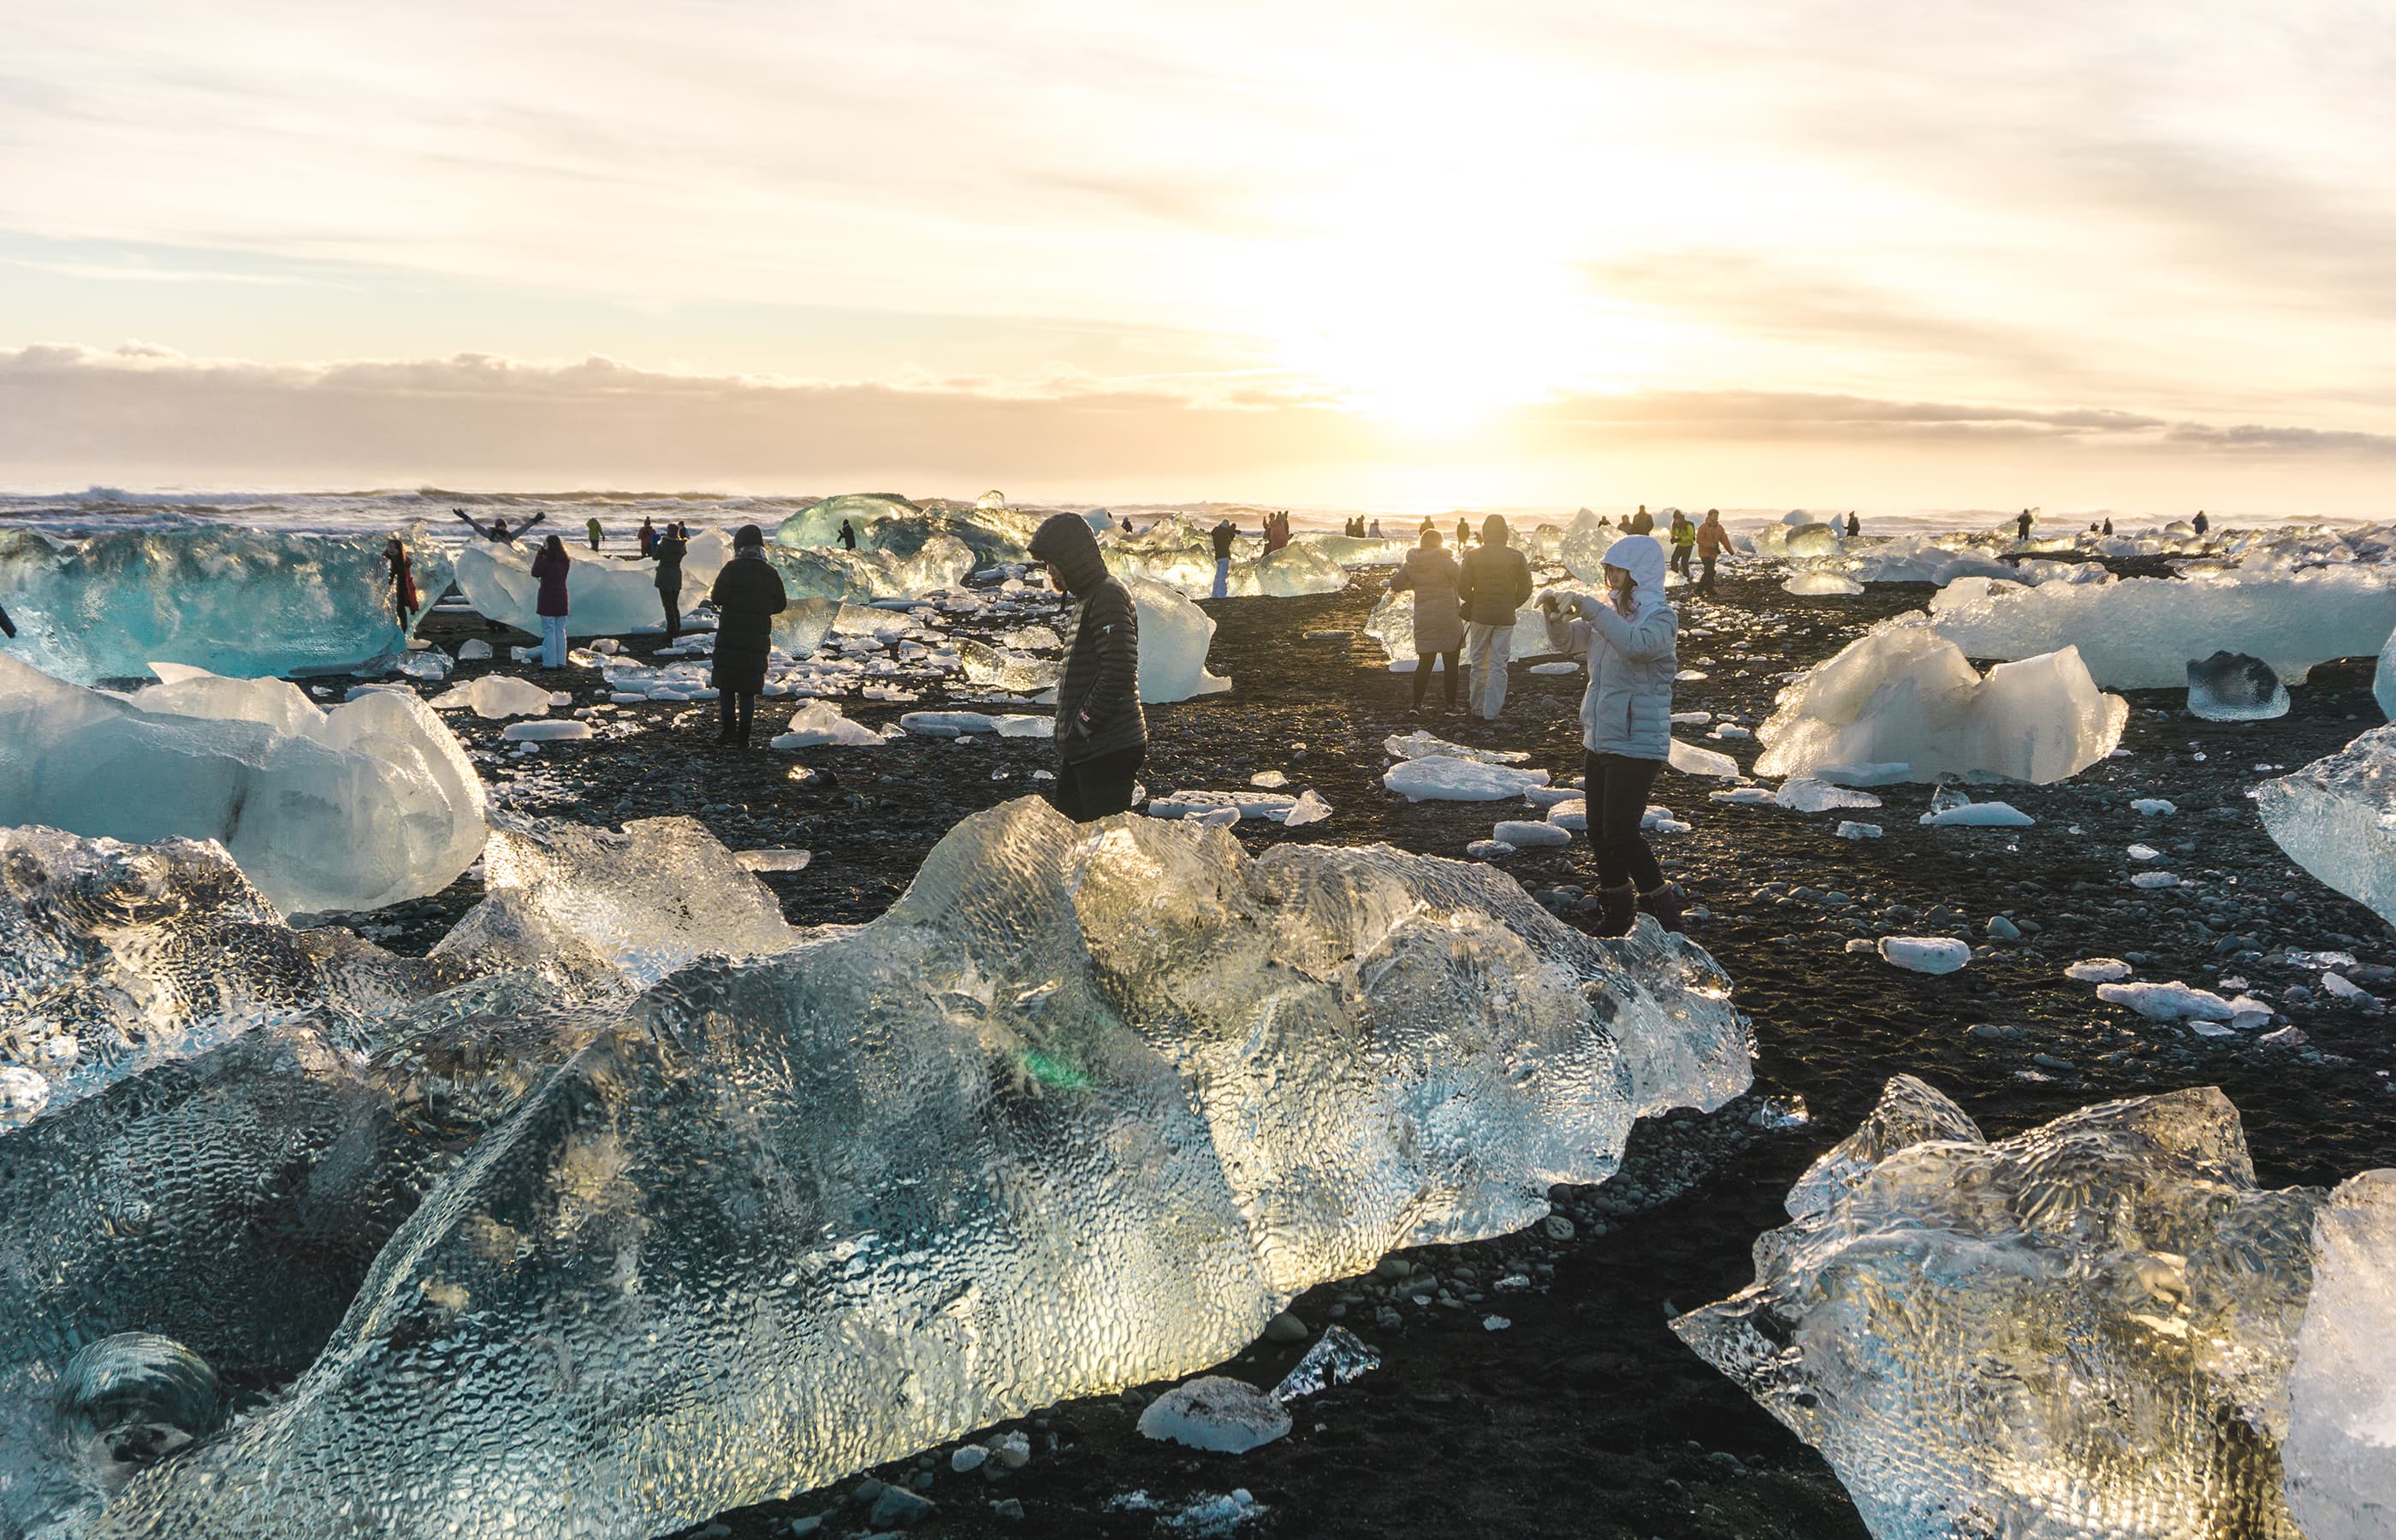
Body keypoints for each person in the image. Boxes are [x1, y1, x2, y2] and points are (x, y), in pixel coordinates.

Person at [1546, 533, 1681, 937]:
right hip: (1602, 735)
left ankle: (1664, 911)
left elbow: (1636, 648)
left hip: (1638, 740)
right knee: (1599, 831)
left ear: (1638, 573)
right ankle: (1618, 911)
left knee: (1622, 832)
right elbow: (1568, 643)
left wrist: (1588, 608)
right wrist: (1554, 618)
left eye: (1617, 571)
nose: (1610, 578)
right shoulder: (1610, 615)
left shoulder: (1659, 618)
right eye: (1608, 571)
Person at [1028, 512, 1145, 819]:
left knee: (1100, 845)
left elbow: (1119, 667)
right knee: (1073, 837)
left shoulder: (1107, 595)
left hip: (1107, 746)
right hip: (1088, 748)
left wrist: (1085, 722)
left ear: (1072, 557)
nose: (1050, 570)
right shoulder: (1089, 596)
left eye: (1053, 561)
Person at [708, 524, 787, 747]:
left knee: (726, 684)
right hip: (756, 637)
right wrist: (760, 608)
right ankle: (744, 736)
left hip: (730, 635)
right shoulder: (770, 572)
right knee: (748, 688)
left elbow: (718, 597)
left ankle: (728, 731)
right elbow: (780, 604)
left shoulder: (732, 568)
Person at [1456, 513, 1533, 723]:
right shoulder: (1516, 556)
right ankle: (1492, 712)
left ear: (1484, 532)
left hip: (1480, 614)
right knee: (1499, 665)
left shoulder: (1473, 556)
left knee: (1479, 661)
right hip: (1506, 616)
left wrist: (1474, 600)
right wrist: (1511, 603)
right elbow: (1526, 588)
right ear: (1505, 533)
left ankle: (1477, 707)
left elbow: (1462, 587)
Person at [1388, 528, 1464, 714]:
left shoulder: (1411, 564)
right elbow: (1462, 578)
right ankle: (1451, 706)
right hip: (1448, 617)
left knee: (1425, 663)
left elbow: (1396, 584)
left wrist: (1413, 584)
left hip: (1424, 617)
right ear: (1440, 543)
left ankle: (1416, 705)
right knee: (1451, 663)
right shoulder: (1445, 561)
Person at [530, 535, 572, 667]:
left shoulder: (548, 560)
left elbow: (535, 572)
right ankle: (561, 661)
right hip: (561, 596)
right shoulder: (565, 560)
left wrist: (540, 554)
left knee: (549, 631)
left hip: (548, 596)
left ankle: (550, 663)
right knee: (560, 631)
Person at [650, 522, 690, 642]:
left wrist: (654, 544)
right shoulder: (682, 545)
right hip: (676, 575)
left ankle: (670, 632)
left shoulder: (665, 544)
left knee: (667, 606)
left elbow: (655, 557)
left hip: (664, 575)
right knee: (674, 604)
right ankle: (676, 629)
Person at [383, 536, 420, 627]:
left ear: (399, 549)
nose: (391, 549)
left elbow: (406, 581)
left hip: (401, 591)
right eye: (390, 547)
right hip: (389, 590)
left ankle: (402, 630)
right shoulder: (384, 559)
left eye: (394, 547)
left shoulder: (404, 563)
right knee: (390, 609)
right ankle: (392, 628)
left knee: (400, 609)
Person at [453, 508, 543, 544]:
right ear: (496, 527)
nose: (503, 527)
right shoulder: (491, 535)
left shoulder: (510, 536)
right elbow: (478, 527)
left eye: (504, 526)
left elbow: (522, 529)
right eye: (500, 526)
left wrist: (535, 520)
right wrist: (465, 517)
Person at [1695, 509, 1729, 597]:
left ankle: (1707, 589)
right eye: (1714, 515)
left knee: (1711, 572)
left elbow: (1724, 539)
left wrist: (1730, 551)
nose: (1716, 517)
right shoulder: (1703, 527)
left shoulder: (1719, 528)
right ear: (1709, 516)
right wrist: (1710, 545)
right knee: (1709, 571)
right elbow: (1699, 540)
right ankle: (1701, 589)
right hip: (1704, 553)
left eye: (1717, 515)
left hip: (1713, 554)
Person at [1210, 517, 1237, 599]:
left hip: (1218, 556)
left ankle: (1214, 594)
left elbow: (1227, 540)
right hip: (1224, 556)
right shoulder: (1224, 534)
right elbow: (1228, 541)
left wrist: (1231, 532)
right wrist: (1232, 532)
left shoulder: (1216, 534)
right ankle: (1221, 595)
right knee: (1222, 577)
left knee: (1218, 577)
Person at [1667, 511, 1696, 578]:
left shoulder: (1687, 525)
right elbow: (1673, 532)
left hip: (1688, 546)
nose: (1675, 520)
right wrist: (1673, 538)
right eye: (1674, 518)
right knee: (1674, 559)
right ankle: (1675, 575)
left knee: (1684, 562)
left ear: (1680, 518)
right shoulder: (1674, 524)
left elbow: (1690, 536)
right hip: (1680, 545)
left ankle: (1686, 577)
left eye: (1677, 519)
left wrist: (1680, 539)